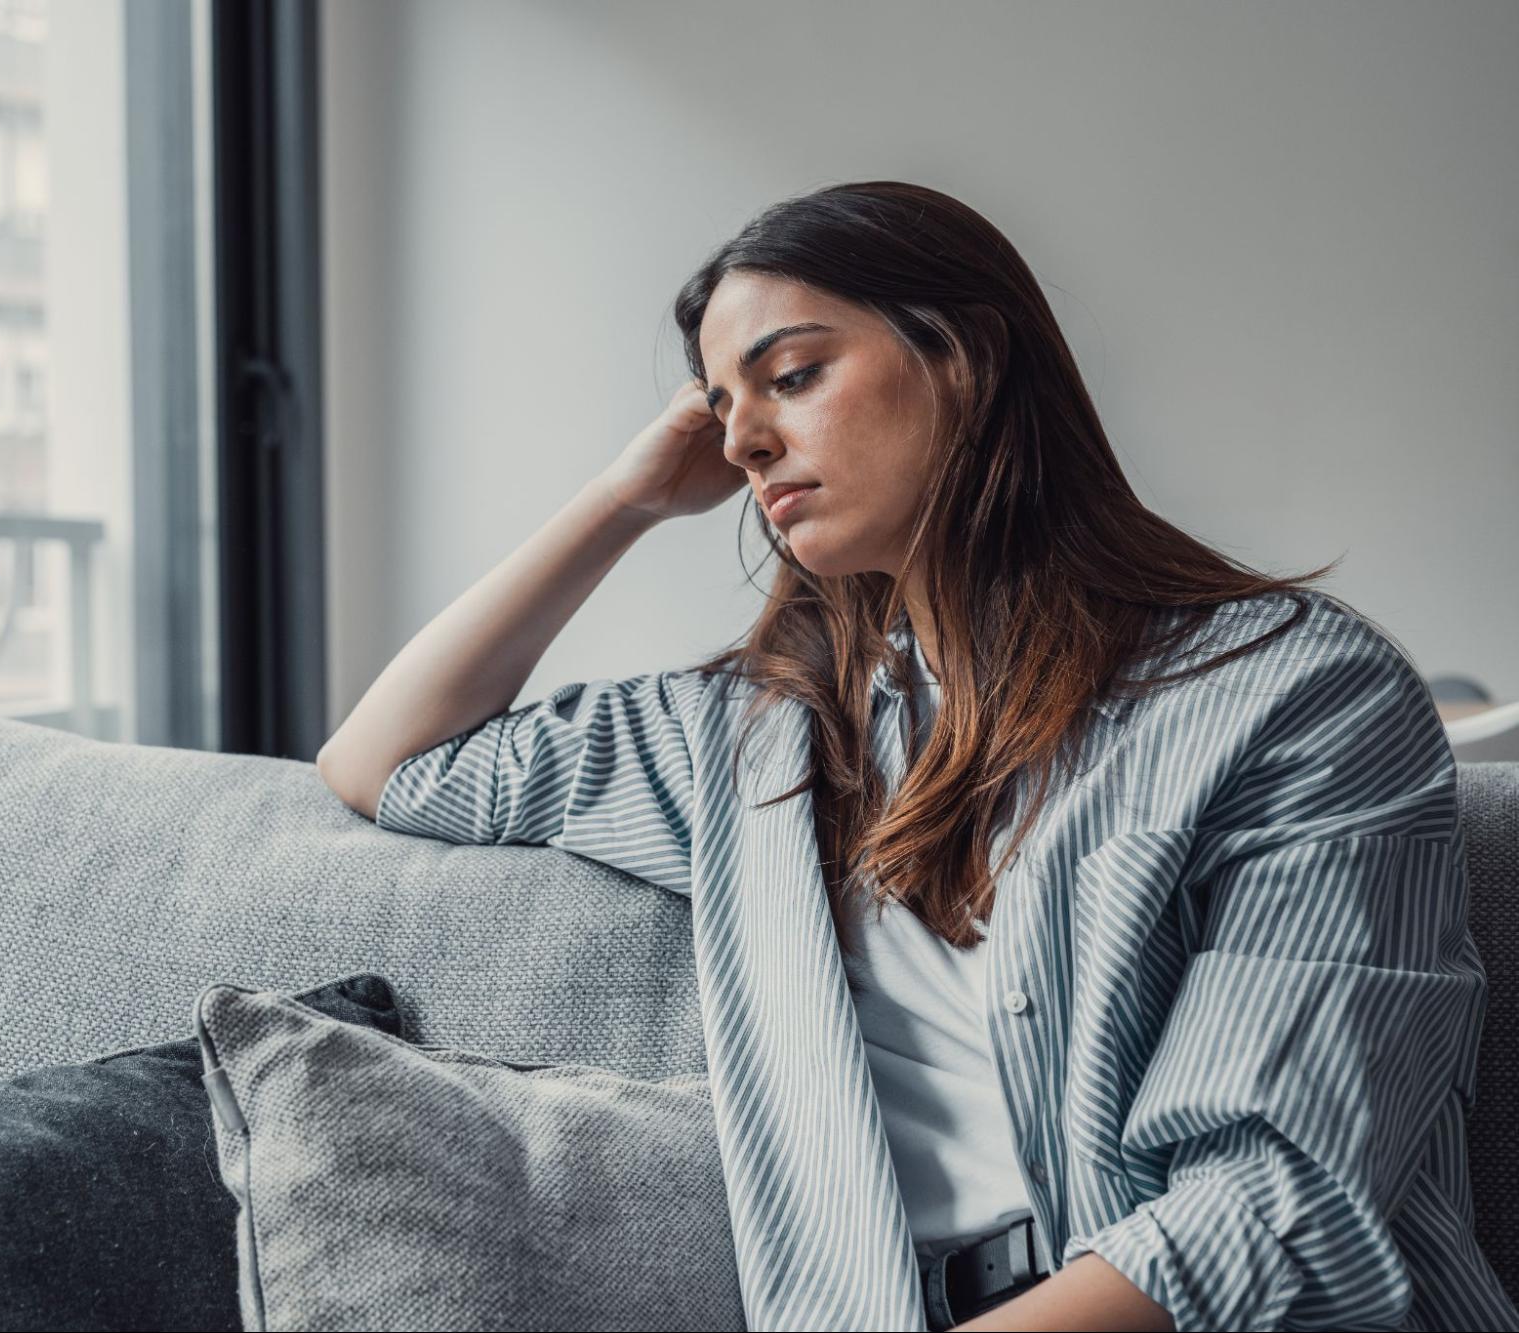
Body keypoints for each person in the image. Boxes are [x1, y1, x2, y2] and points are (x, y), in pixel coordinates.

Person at [316, 180, 1516, 1332]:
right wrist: (623, 499)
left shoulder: (1296, 692)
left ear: (965, 354)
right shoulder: (760, 740)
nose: (740, 441)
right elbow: (386, 759)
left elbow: (1272, 1201)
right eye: (718, 409)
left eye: (790, 375)